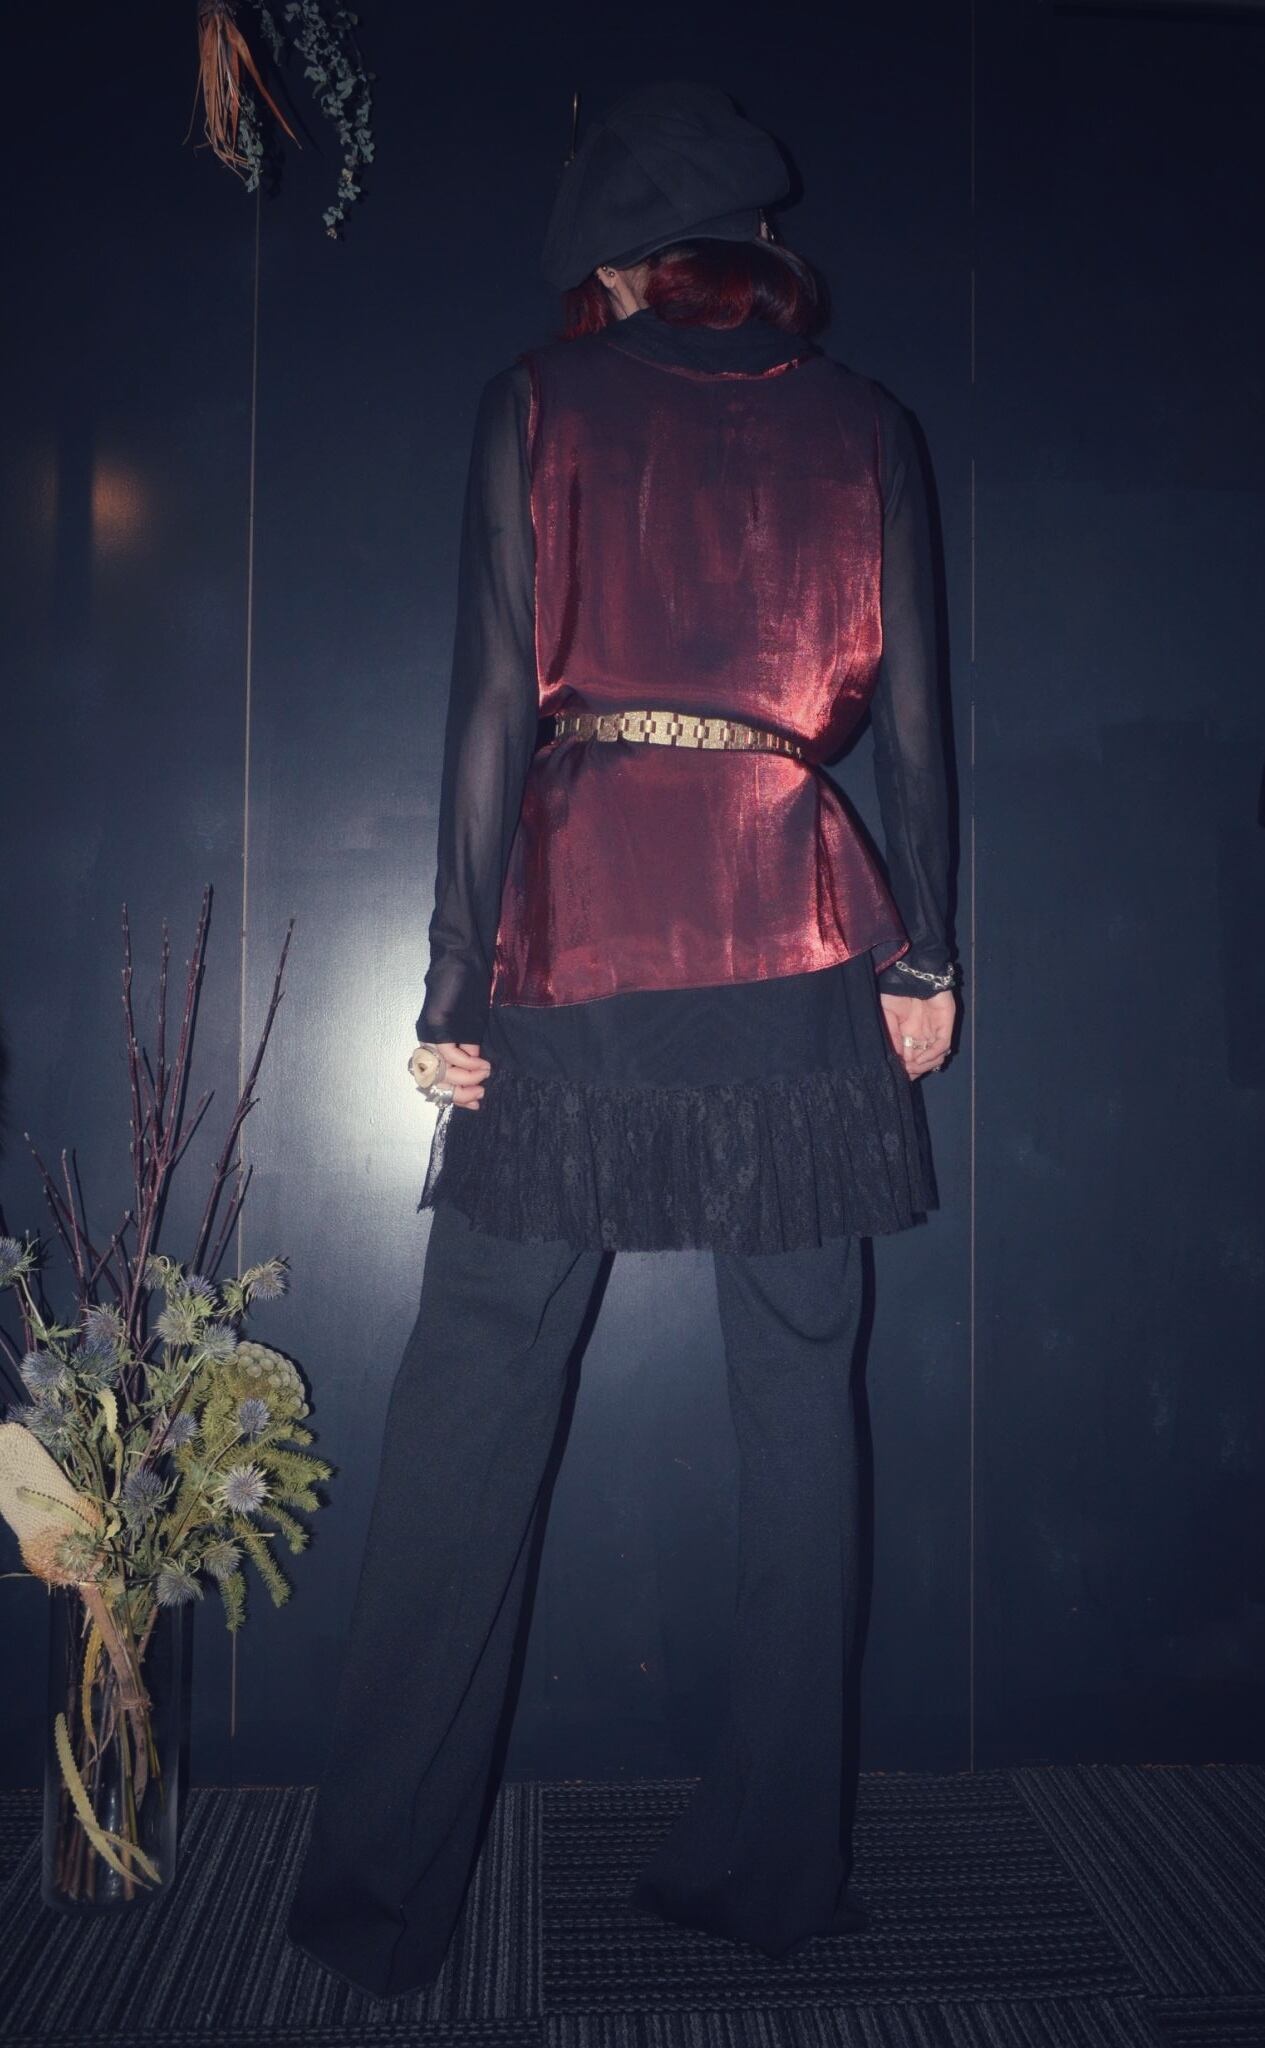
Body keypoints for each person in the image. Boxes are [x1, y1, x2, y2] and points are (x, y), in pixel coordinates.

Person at [285, 77, 958, 1999]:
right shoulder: (867, 423)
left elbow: (489, 709)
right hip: (801, 936)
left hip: (576, 939)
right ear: (754, 245)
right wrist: (926, 957)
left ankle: (379, 1904)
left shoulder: (536, 400)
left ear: (613, 258)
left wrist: (450, 990)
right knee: (799, 1397)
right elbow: (918, 726)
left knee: (474, 1400)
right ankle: (773, 1874)